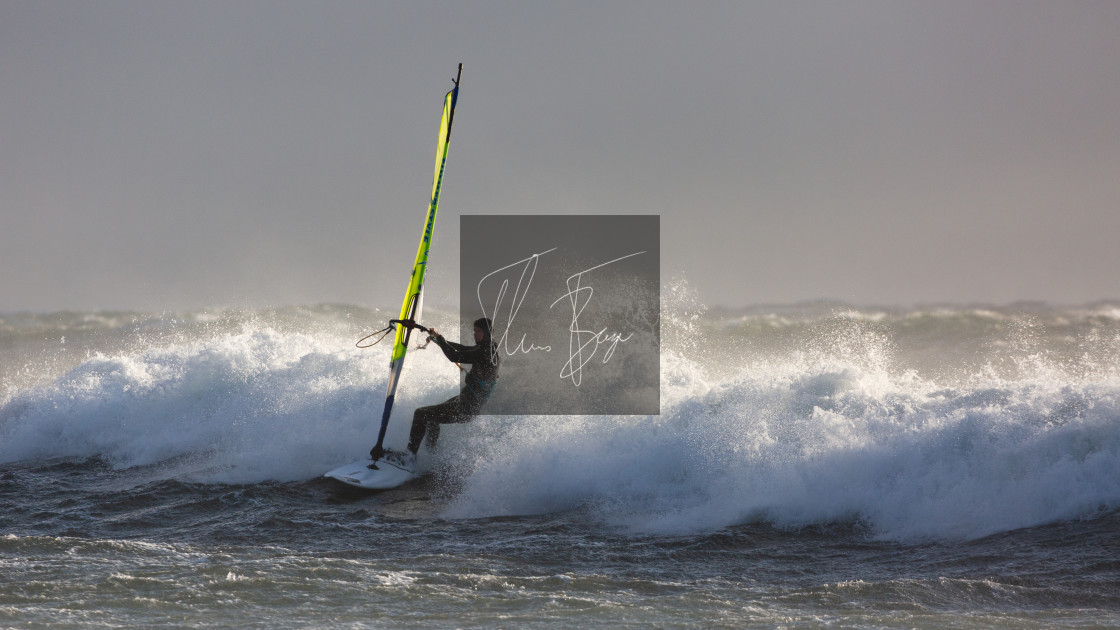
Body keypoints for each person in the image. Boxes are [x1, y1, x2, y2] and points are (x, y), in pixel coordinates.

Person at [372, 317, 499, 467]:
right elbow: (463, 348)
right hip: (466, 402)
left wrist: (439, 338)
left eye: (478, 331)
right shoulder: (488, 347)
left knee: (421, 414)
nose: (475, 334)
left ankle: (409, 457)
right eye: (474, 331)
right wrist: (438, 340)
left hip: (467, 407)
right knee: (431, 418)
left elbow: (455, 356)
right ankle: (431, 458)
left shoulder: (487, 352)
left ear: (488, 333)